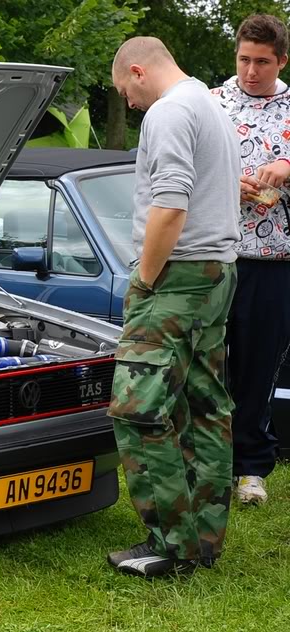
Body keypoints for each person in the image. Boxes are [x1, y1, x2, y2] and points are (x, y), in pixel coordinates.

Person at [107, 37, 241, 578]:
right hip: (218, 272)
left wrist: (143, 276)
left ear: (138, 72)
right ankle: (204, 538)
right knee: (202, 405)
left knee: (136, 407)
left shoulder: (168, 111)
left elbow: (171, 202)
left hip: (178, 276)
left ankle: (171, 543)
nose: (129, 104)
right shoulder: (211, 104)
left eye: (125, 93)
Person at [211, 14, 290, 506]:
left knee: (258, 368)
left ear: (281, 61)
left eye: (262, 61)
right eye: (244, 59)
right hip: (216, 254)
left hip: (276, 260)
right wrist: (227, 183)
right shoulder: (213, 103)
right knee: (211, 365)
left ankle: (251, 469)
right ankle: (209, 461)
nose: (251, 71)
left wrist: (287, 167)